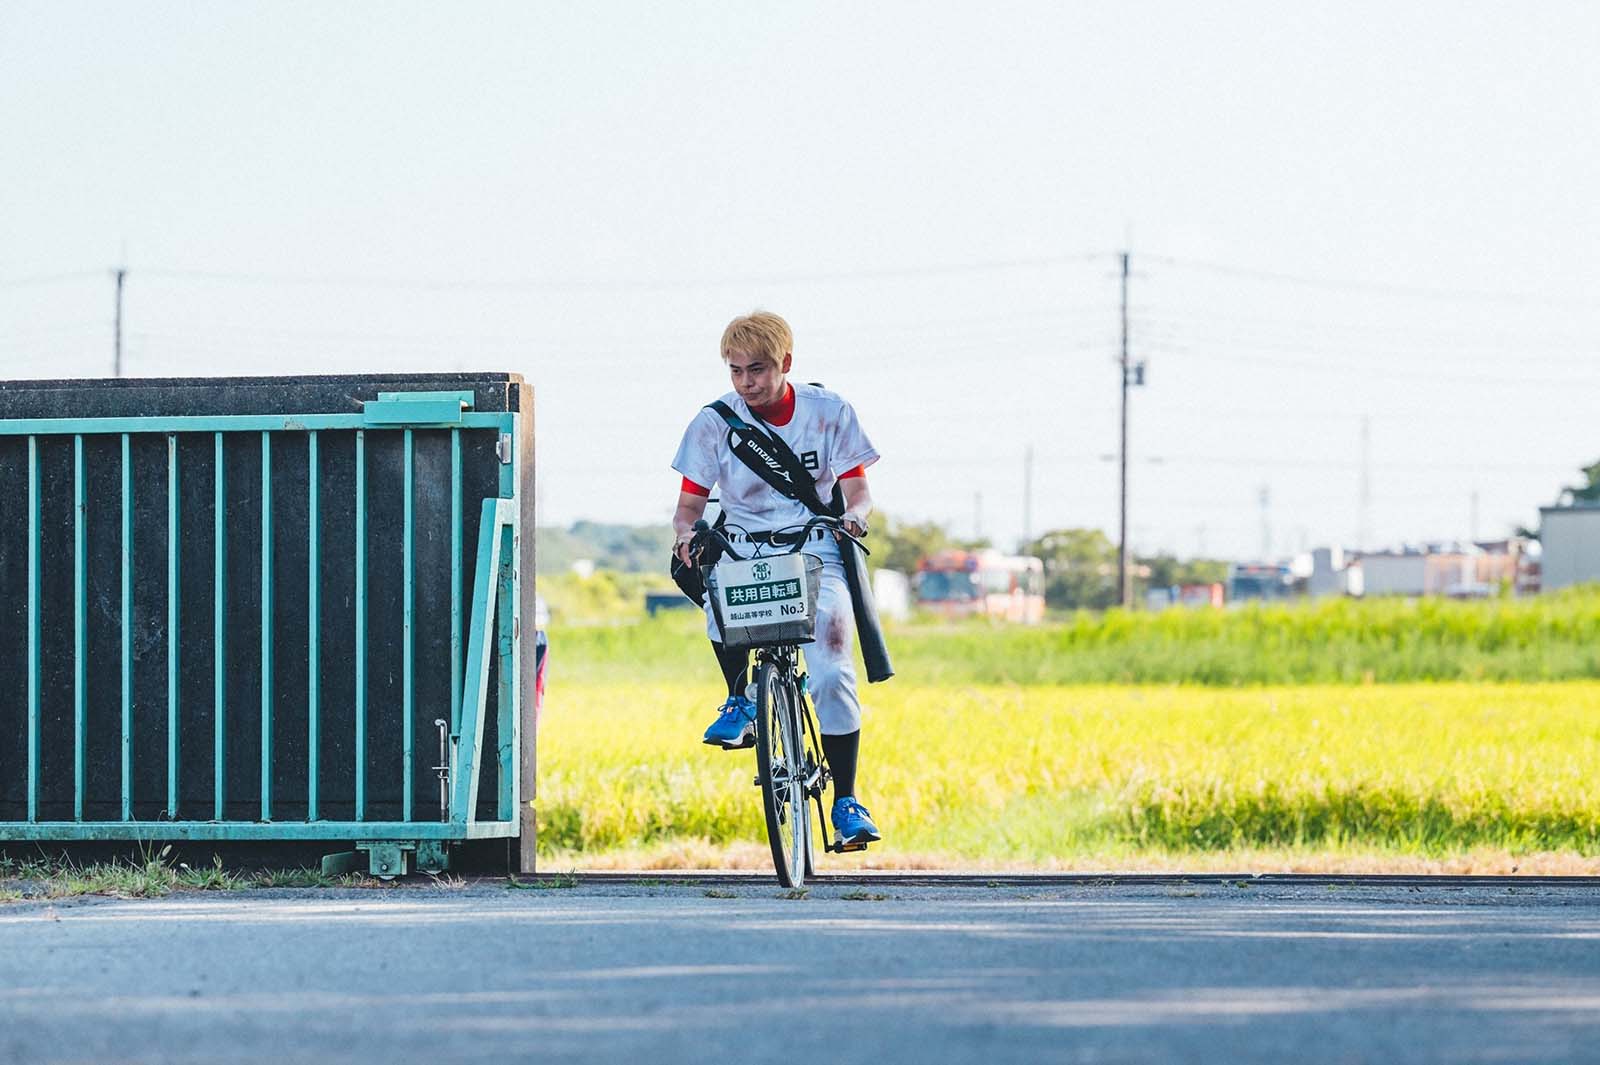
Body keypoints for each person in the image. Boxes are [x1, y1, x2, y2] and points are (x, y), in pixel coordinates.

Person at [671, 311, 882, 848]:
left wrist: (855, 517)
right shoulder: (714, 422)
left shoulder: (829, 412)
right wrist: (686, 537)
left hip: (815, 547)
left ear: (786, 364)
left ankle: (847, 801)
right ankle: (738, 697)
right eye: (736, 371)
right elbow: (689, 507)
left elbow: (857, 491)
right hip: (743, 548)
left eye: (758, 370)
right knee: (720, 601)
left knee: (832, 671)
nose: (747, 382)